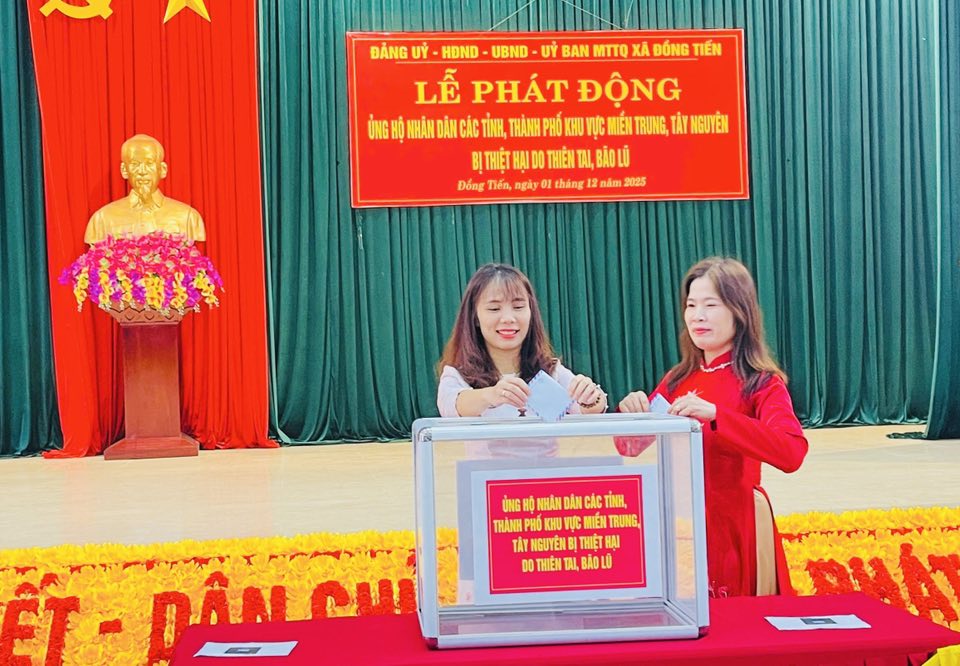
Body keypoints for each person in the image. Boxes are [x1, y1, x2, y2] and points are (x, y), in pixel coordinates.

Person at [618, 257, 807, 597]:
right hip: (682, 528)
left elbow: (791, 452)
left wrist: (719, 416)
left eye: (711, 304)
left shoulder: (761, 382)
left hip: (735, 530)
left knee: (735, 622)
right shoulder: (677, 379)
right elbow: (629, 448)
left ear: (739, 311)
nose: (698, 316)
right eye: (691, 305)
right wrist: (631, 414)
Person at [437, 263, 607, 425]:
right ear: (475, 317)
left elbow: (587, 408)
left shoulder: (549, 372)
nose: (508, 319)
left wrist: (591, 397)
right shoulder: (457, 375)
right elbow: (451, 405)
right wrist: (492, 395)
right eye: (494, 309)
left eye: (518, 307)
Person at [84, 134, 206, 244]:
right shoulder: (102, 219)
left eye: (149, 163)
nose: (142, 171)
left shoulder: (188, 217)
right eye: (135, 164)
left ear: (162, 169)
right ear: (124, 170)